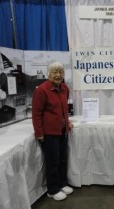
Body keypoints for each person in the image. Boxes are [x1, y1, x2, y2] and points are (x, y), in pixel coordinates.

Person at [32, 61, 74, 201]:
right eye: (55, 72)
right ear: (48, 74)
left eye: (60, 72)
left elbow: (63, 110)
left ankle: (62, 184)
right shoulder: (42, 90)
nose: (58, 75)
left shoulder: (64, 88)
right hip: (49, 133)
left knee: (62, 158)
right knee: (53, 161)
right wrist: (39, 133)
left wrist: (67, 123)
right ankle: (52, 189)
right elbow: (36, 113)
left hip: (62, 131)